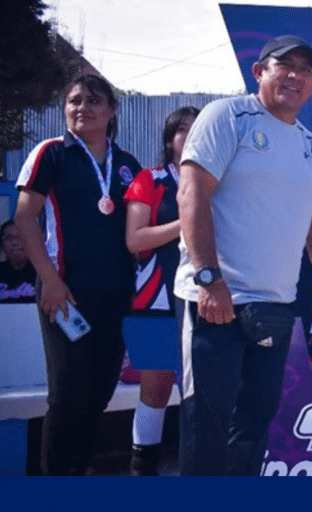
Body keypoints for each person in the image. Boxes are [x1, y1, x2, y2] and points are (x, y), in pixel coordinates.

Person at [174, 35, 312, 475]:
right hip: (215, 302)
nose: (295, 76)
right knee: (207, 423)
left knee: (255, 423)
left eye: (306, 70)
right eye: (284, 66)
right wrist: (208, 278)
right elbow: (192, 193)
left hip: (275, 306)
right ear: (259, 72)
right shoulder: (227, 116)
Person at [14, 74, 141, 475]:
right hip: (65, 293)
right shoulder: (50, 153)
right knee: (68, 394)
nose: (83, 108)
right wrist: (50, 281)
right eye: (74, 101)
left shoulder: (127, 165)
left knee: (99, 393)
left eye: (93, 101)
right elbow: (24, 218)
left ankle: (78, 476)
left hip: (116, 296)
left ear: (112, 110)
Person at [122, 106, 198, 474]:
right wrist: (187, 222)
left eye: (198, 128)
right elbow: (135, 239)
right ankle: (142, 474)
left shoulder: (219, 180)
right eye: (183, 129)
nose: (191, 135)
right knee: (155, 392)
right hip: (153, 302)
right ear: (170, 140)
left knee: (201, 395)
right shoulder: (149, 179)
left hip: (205, 301)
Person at [1, 220, 36, 303]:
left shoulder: (43, 274)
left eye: (21, 237)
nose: (15, 243)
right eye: (9, 238)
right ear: (1, 244)